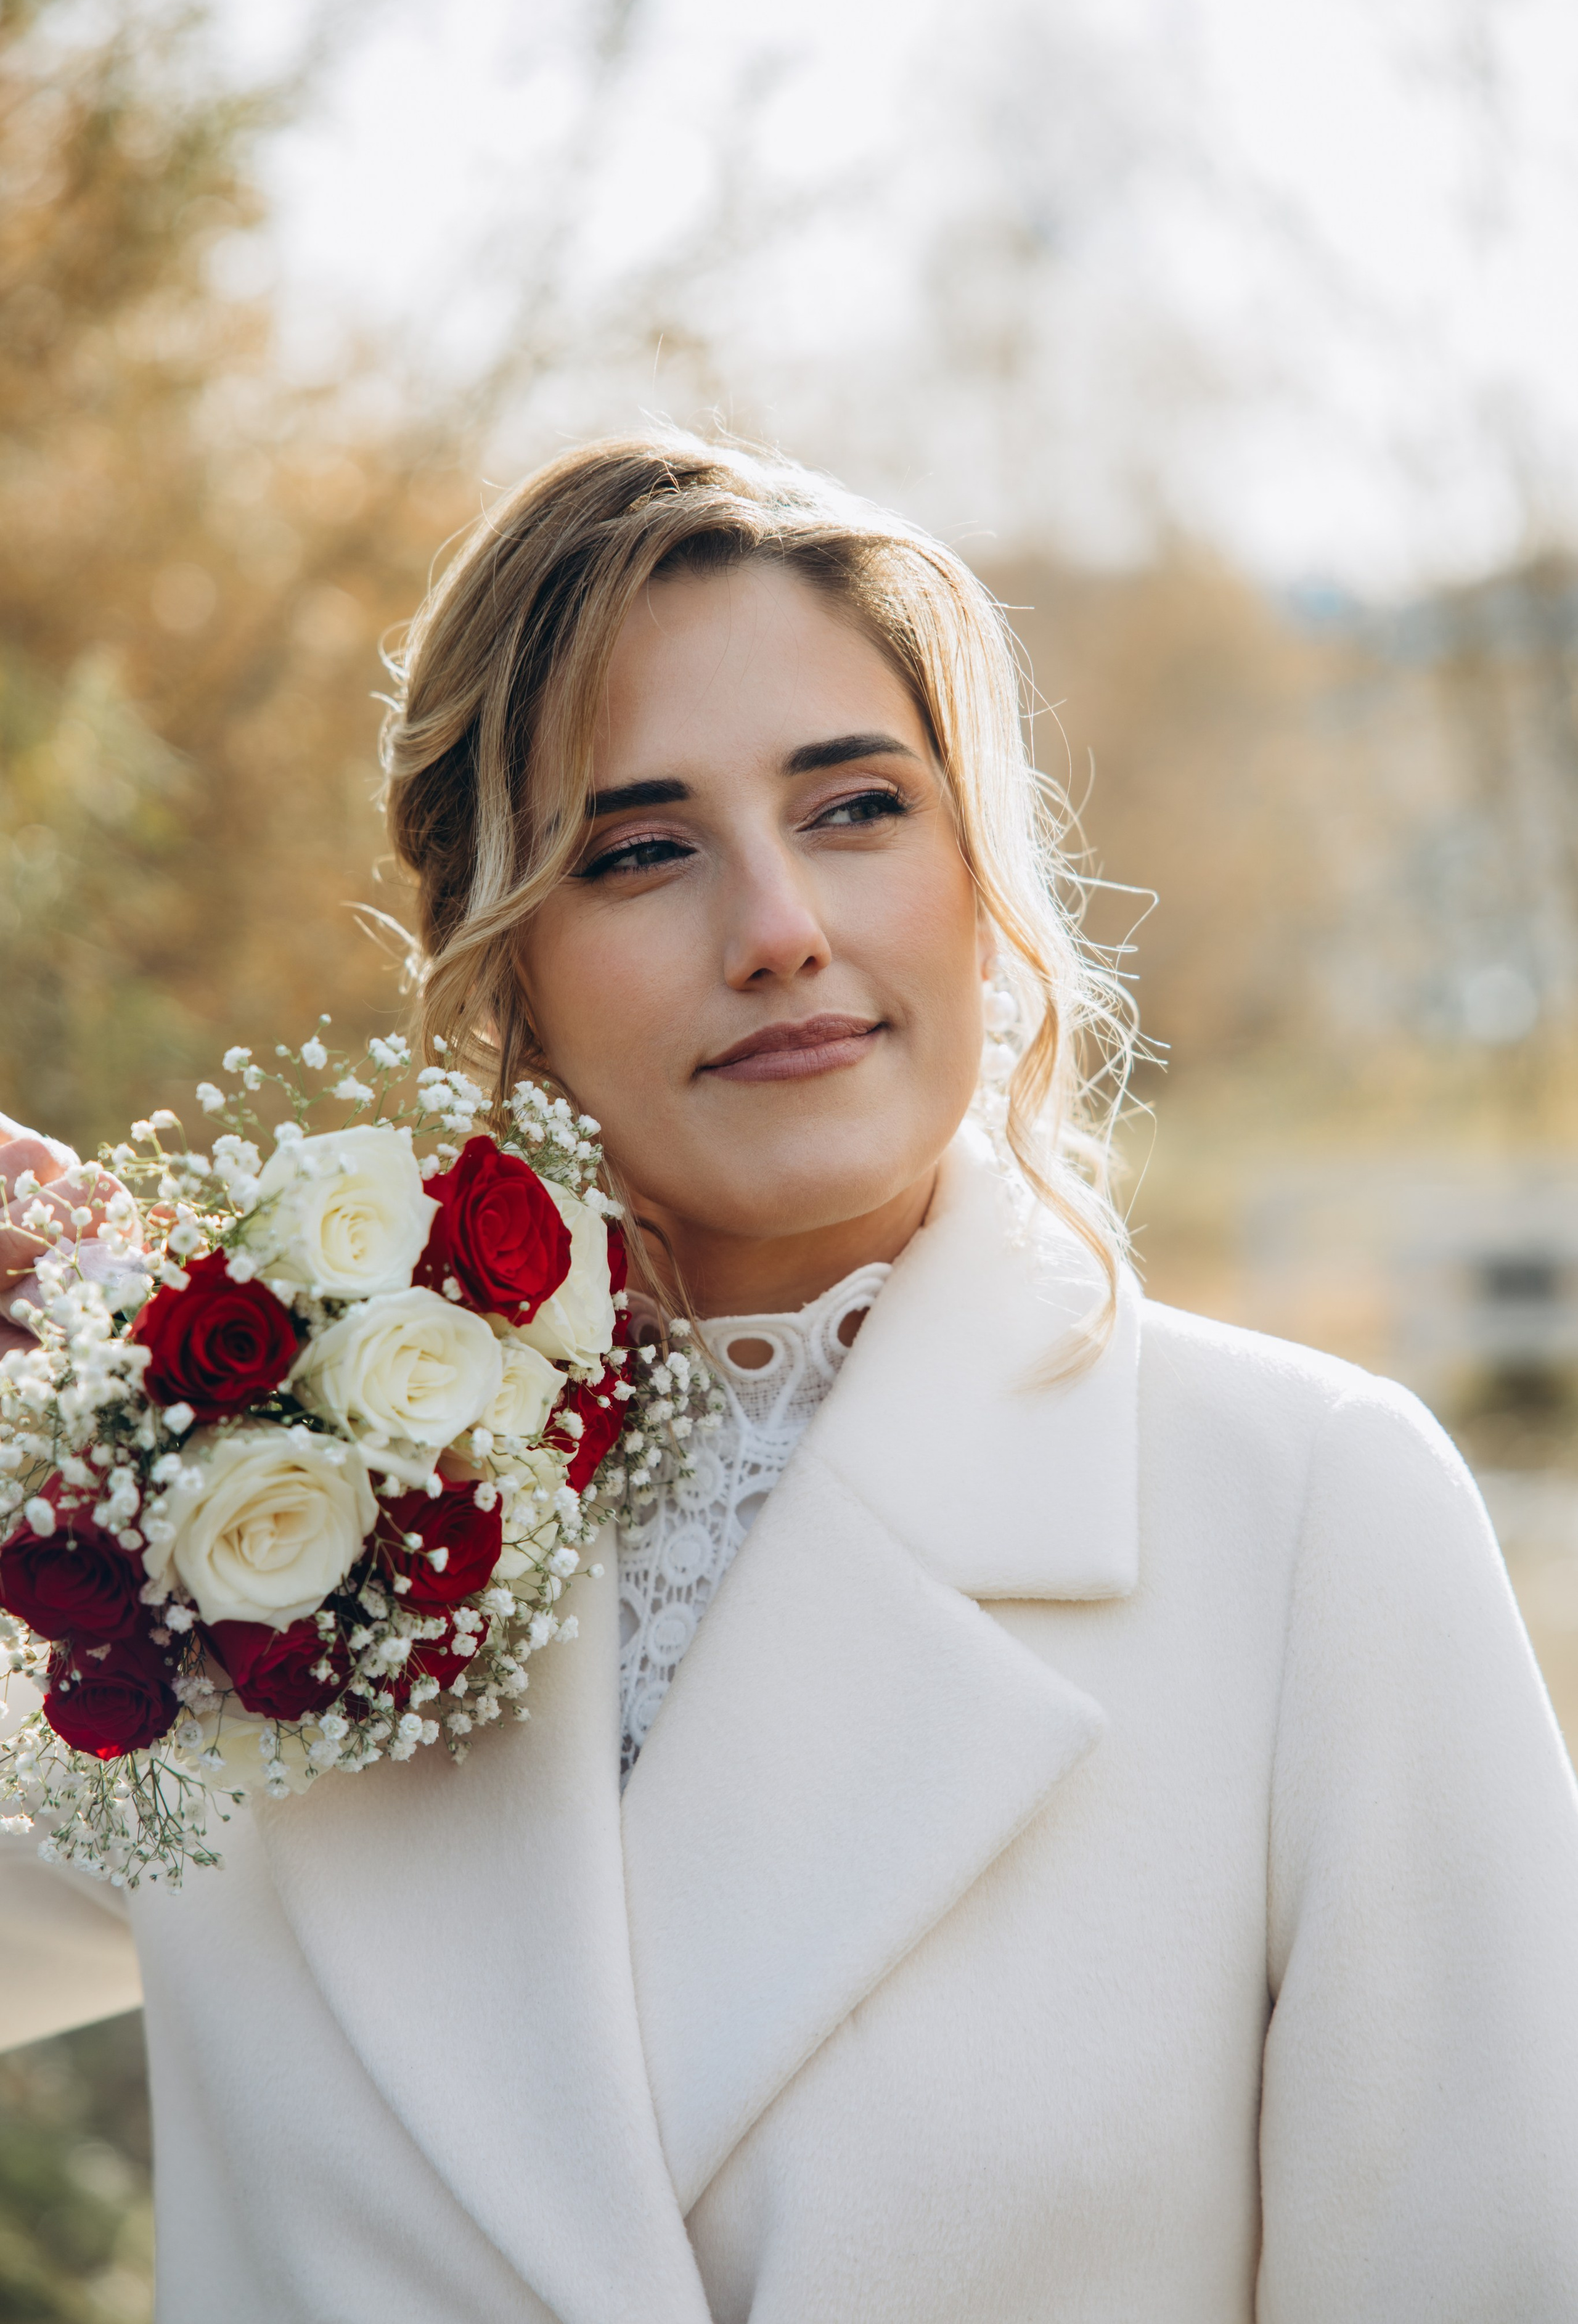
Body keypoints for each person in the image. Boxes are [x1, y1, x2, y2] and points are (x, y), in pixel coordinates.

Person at [2, 431, 1577, 2323]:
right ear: (504, 968)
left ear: (981, 871)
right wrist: (98, 1396)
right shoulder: (239, 1511)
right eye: (641, 849)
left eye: (855, 809)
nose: (780, 931)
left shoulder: (1306, 1506)